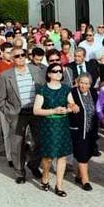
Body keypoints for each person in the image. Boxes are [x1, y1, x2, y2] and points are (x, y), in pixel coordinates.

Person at [0, 47, 46, 184]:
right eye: (17, 56)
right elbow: (1, 100)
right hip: (17, 113)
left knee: (41, 140)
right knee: (18, 143)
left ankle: (34, 164)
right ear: (12, 59)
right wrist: (8, 113)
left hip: (35, 111)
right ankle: (20, 172)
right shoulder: (6, 76)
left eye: (23, 55)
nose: (21, 58)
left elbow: (43, 90)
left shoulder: (36, 71)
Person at [33, 63, 77, 197]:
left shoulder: (65, 88)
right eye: (55, 71)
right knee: (48, 157)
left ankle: (59, 185)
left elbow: (72, 104)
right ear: (49, 74)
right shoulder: (43, 89)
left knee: (62, 155)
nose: (58, 73)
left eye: (60, 71)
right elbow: (36, 110)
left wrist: (70, 108)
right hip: (48, 125)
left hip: (62, 124)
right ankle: (45, 176)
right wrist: (53, 110)